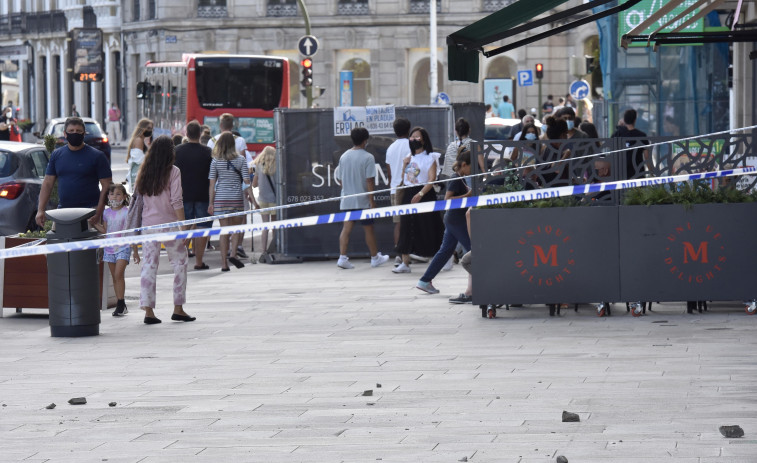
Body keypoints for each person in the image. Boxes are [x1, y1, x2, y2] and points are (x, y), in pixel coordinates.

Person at [133, 135, 194, 325]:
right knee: (180, 263)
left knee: (149, 265)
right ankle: (178, 308)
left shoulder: (144, 171)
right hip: (170, 225)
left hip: (149, 225)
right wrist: (184, 226)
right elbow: (176, 201)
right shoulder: (173, 171)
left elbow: (138, 199)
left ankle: (148, 311)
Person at [36, 117, 112, 228]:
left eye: (78, 131)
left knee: (90, 245)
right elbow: (47, 183)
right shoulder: (56, 155)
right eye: (71, 131)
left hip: (90, 211)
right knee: (59, 243)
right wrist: (40, 210)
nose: (75, 133)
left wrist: (98, 212)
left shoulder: (97, 156)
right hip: (63, 212)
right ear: (65, 134)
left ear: (84, 133)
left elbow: (106, 186)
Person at [416, 147, 473, 294]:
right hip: (455, 219)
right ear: (465, 164)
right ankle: (474, 287)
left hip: (454, 219)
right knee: (472, 250)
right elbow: (448, 199)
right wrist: (467, 196)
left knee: (445, 251)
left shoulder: (461, 178)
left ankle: (424, 280)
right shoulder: (455, 178)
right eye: (472, 167)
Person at [334, 127, 390, 270]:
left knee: (346, 228)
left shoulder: (344, 156)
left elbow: (340, 179)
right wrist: (372, 201)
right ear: (366, 140)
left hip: (347, 199)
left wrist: (347, 189)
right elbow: (369, 181)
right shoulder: (368, 157)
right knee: (368, 229)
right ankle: (374, 257)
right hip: (363, 200)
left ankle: (342, 258)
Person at [393, 127, 444, 274]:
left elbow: (431, 179)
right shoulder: (409, 156)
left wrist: (421, 193)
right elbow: (404, 178)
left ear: (423, 139)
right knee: (406, 226)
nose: (414, 140)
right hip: (409, 193)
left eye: (417, 137)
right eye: (412, 137)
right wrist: (404, 165)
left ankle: (443, 257)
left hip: (425, 194)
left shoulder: (430, 157)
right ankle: (405, 261)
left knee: (430, 225)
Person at [93, 184, 140, 317]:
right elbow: (105, 231)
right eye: (112, 194)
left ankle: (120, 303)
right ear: (108, 196)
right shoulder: (106, 213)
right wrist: (95, 224)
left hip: (123, 247)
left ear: (124, 196)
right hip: (109, 249)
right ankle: (121, 304)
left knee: (119, 274)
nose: (114, 197)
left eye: (118, 194)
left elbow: (131, 232)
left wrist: (135, 251)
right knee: (115, 277)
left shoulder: (127, 212)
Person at [208, 113, 250, 259]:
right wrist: (250, 193)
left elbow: (212, 182)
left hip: (220, 197)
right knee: (237, 227)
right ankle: (234, 252)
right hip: (236, 196)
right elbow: (245, 179)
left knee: (223, 230)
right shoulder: (241, 146)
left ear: (220, 125)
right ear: (233, 126)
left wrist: (211, 202)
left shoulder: (212, 145)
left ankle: (224, 263)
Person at [174, 120, 213, 271]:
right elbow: (212, 176)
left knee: (185, 227)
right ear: (200, 134)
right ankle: (199, 260)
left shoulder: (178, 150)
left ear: (186, 134)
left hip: (184, 194)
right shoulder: (207, 152)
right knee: (202, 228)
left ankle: (184, 256)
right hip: (203, 194)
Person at [385, 117, 411, 255]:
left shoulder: (390, 148)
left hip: (395, 189)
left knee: (398, 223)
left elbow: (389, 174)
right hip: (411, 189)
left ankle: (400, 255)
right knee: (413, 222)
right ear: (409, 130)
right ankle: (414, 252)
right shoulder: (411, 145)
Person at [253, 146, 277, 262]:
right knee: (275, 225)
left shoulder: (258, 165)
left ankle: (263, 250)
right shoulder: (276, 165)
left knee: (265, 225)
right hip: (274, 199)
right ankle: (276, 245)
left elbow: (254, 185)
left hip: (262, 198)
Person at [611, 108, 649, 180]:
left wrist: (619, 126)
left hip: (621, 174)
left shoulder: (617, 134)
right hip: (638, 173)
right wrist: (652, 173)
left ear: (624, 120)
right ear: (635, 120)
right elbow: (647, 157)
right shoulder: (641, 136)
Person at [126, 118, 153, 193]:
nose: (150, 130)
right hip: (139, 175)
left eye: (151, 128)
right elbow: (139, 160)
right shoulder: (139, 140)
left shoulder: (140, 139)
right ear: (142, 128)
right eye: (148, 128)